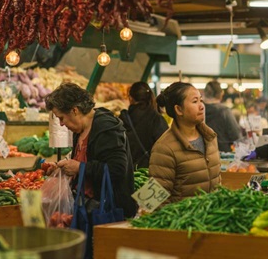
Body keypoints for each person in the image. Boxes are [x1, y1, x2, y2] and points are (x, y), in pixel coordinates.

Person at [44, 83, 137, 255]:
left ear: (75, 110)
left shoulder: (105, 127)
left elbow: (117, 170)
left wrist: (79, 167)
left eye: (61, 118)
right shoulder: (81, 130)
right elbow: (86, 161)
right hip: (87, 209)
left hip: (106, 210)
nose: (62, 124)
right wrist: (64, 168)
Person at [149, 82, 221, 204]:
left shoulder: (210, 137)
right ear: (179, 109)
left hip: (212, 219)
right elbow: (153, 201)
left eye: (201, 100)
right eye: (195, 101)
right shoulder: (163, 148)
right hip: (184, 221)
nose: (202, 106)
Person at [119, 82, 168, 168]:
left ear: (130, 98)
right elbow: (166, 147)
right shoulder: (156, 119)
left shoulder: (122, 119)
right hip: (152, 172)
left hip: (128, 172)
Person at [203, 81, 242, 152]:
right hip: (222, 154)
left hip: (203, 153)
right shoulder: (224, 111)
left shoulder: (199, 111)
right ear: (220, 95)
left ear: (204, 93)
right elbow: (236, 136)